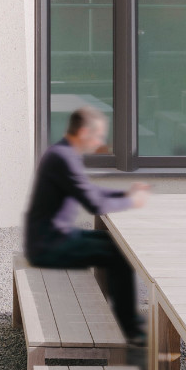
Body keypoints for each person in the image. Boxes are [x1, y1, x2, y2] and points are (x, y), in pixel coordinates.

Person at [23, 105, 151, 345]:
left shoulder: (62, 153)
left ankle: (122, 315)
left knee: (114, 245)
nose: (102, 141)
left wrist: (124, 195)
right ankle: (130, 329)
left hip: (52, 236)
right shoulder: (63, 158)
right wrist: (131, 201)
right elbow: (94, 204)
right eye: (99, 134)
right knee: (120, 255)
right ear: (83, 132)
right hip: (47, 246)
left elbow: (90, 191)